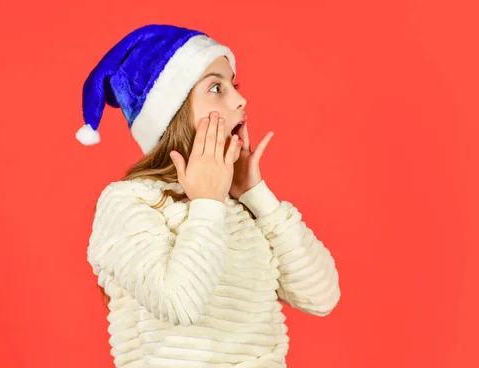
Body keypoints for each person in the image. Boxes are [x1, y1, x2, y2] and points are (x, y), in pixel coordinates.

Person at [77, 24, 341, 368]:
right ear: (172, 114)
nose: (239, 100)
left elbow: (322, 297)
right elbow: (181, 304)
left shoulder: (237, 205)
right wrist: (206, 203)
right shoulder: (129, 202)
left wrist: (255, 195)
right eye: (216, 87)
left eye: (234, 84)